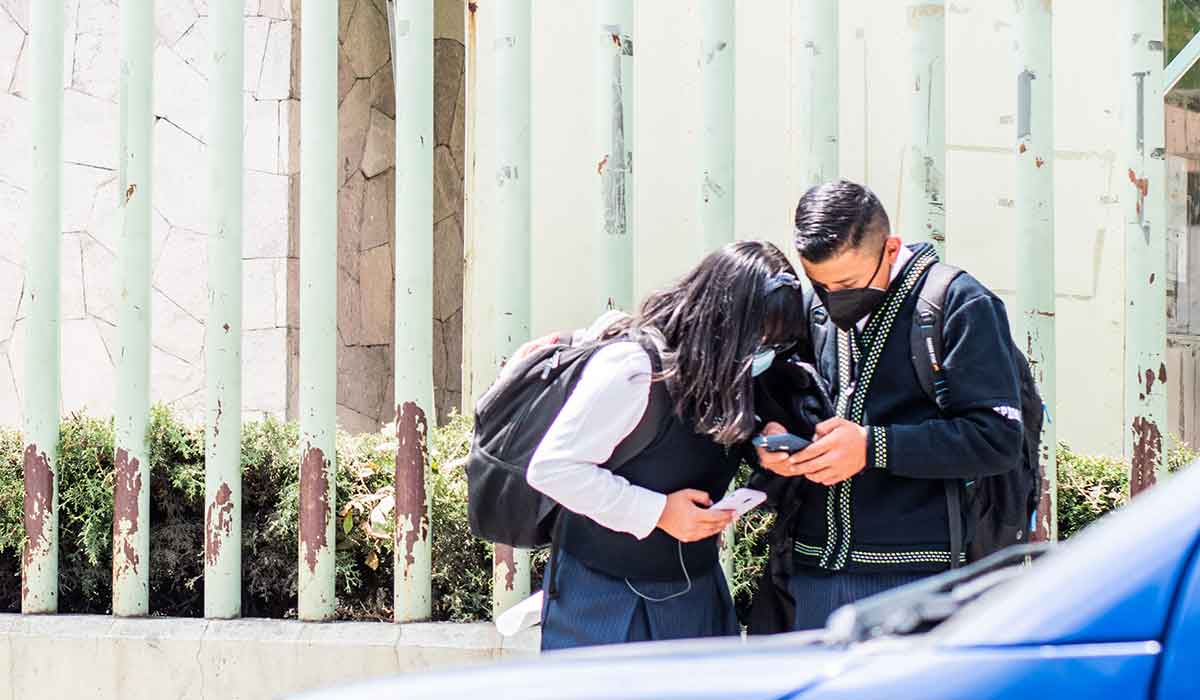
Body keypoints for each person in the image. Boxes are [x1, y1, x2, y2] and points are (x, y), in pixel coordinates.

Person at [756, 180, 1025, 631]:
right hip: (809, 575)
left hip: (918, 582)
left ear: (891, 248)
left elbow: (996, 438)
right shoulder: (809, 308)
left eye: (847, 283)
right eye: (819, 283)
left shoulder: (956, 302)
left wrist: (872, 447)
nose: (832, 297)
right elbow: (773, 399)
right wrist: (769, 438)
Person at [528, 241, 808, 651]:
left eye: (774, 344)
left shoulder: (730, 372)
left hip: (695, 592)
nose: (763, 353)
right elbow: (553, 468)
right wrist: (658, 512)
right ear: (723, 320)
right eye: (758, 339)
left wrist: (764, 440)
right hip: (603, 597)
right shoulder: (634, 368)